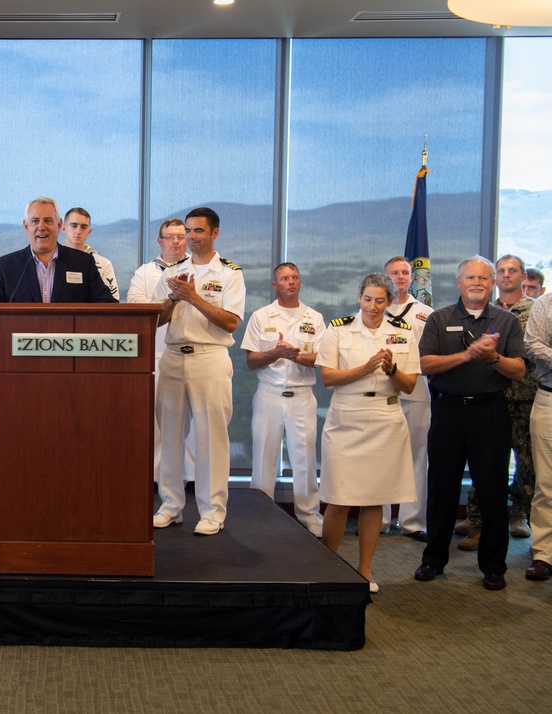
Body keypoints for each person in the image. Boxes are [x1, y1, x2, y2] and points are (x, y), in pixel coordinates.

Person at [414, 256, 526, 591]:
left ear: (492, 284)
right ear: (459, 282)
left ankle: (493, 566)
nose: (477, 283)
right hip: (448, 412)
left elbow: (519, 370)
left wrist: (492, 357)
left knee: (492, 490)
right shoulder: (439, 318)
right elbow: (424, 364)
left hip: (489, 413)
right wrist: (466, 355)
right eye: (471, 278)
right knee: (442, 488)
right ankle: (433, 559)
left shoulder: (506, 322)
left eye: (484, 278)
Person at [317, 273, 419, 593]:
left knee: (374, 499)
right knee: (339, 496)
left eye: (379, 300)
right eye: (367, 299)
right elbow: (329, 379)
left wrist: (390, 368)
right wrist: (368, 366)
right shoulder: (337, 330)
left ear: (389, 302)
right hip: (346, 416)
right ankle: (330, 566)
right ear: (358, 297)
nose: (373, 307)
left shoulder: (402, 334)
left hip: (386, 419)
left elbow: (410, 385)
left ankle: (365, 570)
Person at [152, 206, 244, 536]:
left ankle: (212, 512)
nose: (191, 237)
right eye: (188, 231)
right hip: (174, 357)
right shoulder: (173, 271)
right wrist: (175, 298)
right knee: (170, 436)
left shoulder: (230, 273)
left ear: (214, 233)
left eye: (198, 231)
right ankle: (171, 505)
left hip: (211, 357)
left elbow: (231, 321)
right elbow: (156, 320)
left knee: (211, 438)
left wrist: (193, 297)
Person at [455, 255, 538, 548]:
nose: (506, 275)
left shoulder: (534, 310)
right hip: (491, 397)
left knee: (527, 464)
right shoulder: (483, 311)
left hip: (525, 397)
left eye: (512, 270)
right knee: (485, 463)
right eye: (501, 271)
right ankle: (477, 519)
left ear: (521, 274)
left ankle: (519, 514)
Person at [242, 262, 324, 537]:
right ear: (275, 285)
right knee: (264, 456)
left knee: (304, 458)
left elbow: (322, 358)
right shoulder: (262, 316)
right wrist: (276, 353)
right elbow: (252, 361)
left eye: (295, 277)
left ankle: (309, 515)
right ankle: (261, 512)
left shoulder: (314, 317)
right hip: (269, 394)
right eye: (284, 278)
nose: (291, 282)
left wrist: (295, 355)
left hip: (302, 395)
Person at [0, 197, 116, 325]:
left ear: (59, 224)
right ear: (26, 226)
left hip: (71, 347)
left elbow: (107, 305)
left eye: (48, 221)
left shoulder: (83, 262)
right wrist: (10, 323)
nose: (41, 227)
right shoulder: (6, 266)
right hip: (21, 347)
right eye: (35, 221)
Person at [127, 219, 194, 484]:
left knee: (194, 424)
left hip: (190, 348)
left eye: (181, 236)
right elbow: (135, 306)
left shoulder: (199, 268)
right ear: (160, 241)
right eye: (170, 237)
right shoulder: (145, 272)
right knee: (158, 421)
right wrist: (168, 300)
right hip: (155, 352)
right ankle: (156, 476)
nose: (176, 241)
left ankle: (192, 475)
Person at [381, 256, 434, 541]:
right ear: (385, 276)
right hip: (383, 390)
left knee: (417, 455)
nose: (400, 277)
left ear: (412, 278)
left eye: (405, 273)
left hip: (416, 391)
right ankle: (380, 518)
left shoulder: (426, 313)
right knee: (383, 453)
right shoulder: (374, 310)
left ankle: (413, 521)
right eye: (394, 273)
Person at [525, 290, 552, 581]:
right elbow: (533, 344)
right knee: (546, 483)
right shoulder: (546, 303)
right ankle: (544, 554)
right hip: (549, 399)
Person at [61, 207, 120, 300]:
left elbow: (112, 300)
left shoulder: (104, 264)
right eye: (74, 225)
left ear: (89, 231)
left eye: (83, 227)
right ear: (63, 228)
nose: (78, 231)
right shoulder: (54, 260)